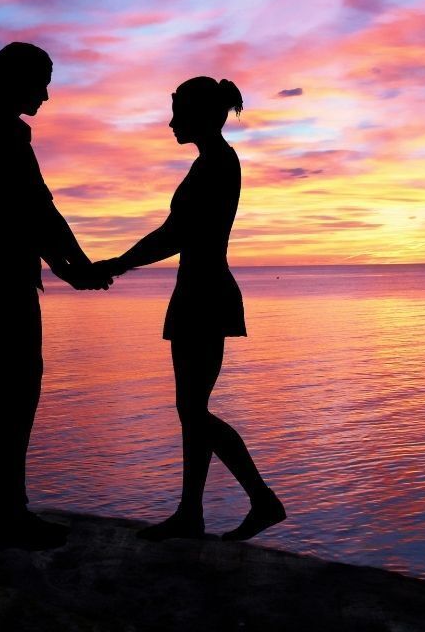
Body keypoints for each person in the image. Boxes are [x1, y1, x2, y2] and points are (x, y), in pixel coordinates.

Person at [95, 76, 285, 541]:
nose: (171, 121)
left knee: (193, 410)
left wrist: (117, 264)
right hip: (199, 291)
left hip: (204, 294)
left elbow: (174, 235)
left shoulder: (216, 164)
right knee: (192, 408)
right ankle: (191, 513)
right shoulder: (212, 162)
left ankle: (261, 500)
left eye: (178, 112)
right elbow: (173, 231)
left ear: (200, 115)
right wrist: (118, 263)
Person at [0, 41, 110, 550]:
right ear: (14, 80)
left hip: (0, 276)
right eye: (41, 83)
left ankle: (4, 508)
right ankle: (5, 515)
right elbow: (35, 211)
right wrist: (78, 268)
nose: (46, 94)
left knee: (14, 396)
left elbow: (31, 215)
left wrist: (70, 270)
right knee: (15, 397)